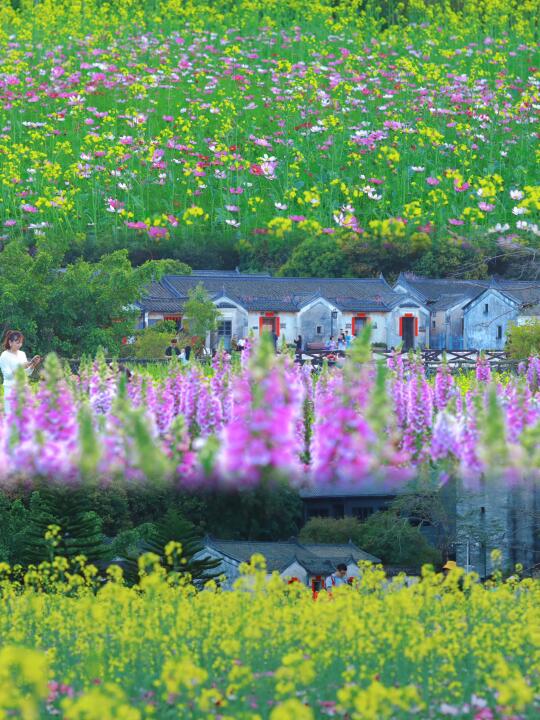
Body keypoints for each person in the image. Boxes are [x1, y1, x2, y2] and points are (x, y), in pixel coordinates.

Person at [0, 330, 41, 415]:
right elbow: (7, 376)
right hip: (10, 390)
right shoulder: (4, 356)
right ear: (10, 342)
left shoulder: (22, 354)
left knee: (24, 417)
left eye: (21, 342)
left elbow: (27, 373)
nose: (20, 345)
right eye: (17, 342)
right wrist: (20, 367)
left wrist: (33, 365)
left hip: (23, 389)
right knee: (11, 417)